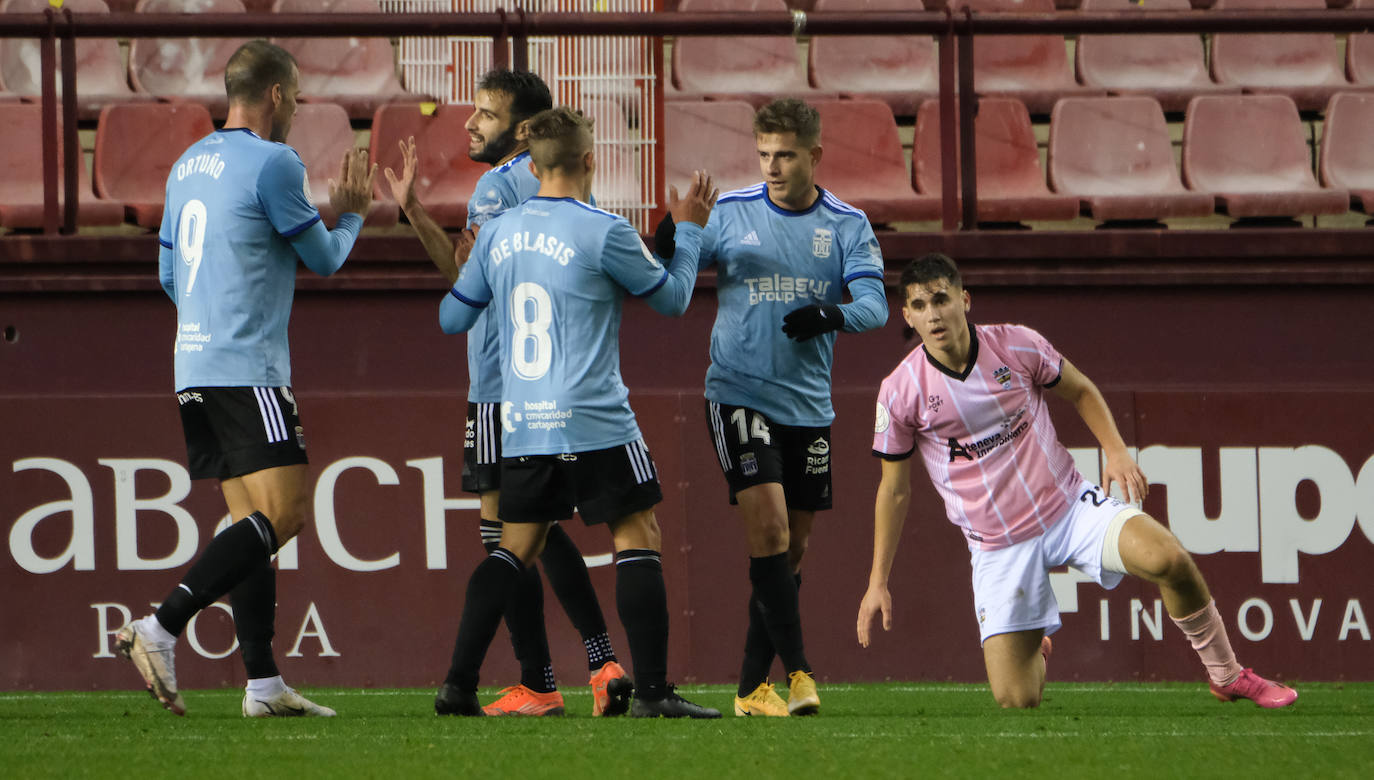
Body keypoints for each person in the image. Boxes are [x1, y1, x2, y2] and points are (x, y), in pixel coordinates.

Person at [857, 253, 1299, 710]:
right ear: (907, 315)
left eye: (942, 299)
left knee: (1170, 559)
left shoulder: (1017, 345)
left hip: (1069, 508)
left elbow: (1081, 390)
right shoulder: (900, 390)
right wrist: (877, 582)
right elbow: (894, 490)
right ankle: (1032, 646)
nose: (934, 314)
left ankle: (1227, 675)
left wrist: (1116, 450)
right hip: (997, 544)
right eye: (920, 305)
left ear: (964, 300)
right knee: (1016, 699)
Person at [114, 40, 375, 717]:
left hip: (193, 361)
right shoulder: (275, 162)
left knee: (246, 520)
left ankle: (262, 684)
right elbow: (323, 259)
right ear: (279, 96)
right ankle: (162, 624)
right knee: (284, 515)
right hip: (247, 366)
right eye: (297, 100)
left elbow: (170, 276)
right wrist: (351, 215)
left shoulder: (185, 164)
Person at [435, 106, 721, 718]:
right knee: (637, 534)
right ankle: (650, 694)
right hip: (595, 417)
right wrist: (690, 230)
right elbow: (672, 300)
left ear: (532, 166)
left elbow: (451, 319)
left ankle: (458, 685)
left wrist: (472, 270)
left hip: (522, 422)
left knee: (512, 550)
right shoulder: (604, 230)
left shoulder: (499, 233)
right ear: (590, 160)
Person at [383, 69, 630, 717]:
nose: (469, 124)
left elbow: (466, 281)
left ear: (522, 129)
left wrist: (413, 213)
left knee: (508, 539)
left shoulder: (497, 186)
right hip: (562, 383)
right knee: (538, 532)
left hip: (500, 385)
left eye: (485, 115)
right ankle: (598, 664)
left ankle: (541, 682)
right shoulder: (567, 186)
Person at [689, 98, 888, 717]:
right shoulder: (730, 212)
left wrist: (832, 313)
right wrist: (680, 231)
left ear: (815, 155)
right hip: (738, 393)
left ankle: (751, 687)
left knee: (791, 550)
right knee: (771, 527)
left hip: (808, 407)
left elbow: (876, 307)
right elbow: (672, 273)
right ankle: (800, 672)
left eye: (785, 155)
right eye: (764, 155)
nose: (772, 167)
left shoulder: (847, 224)